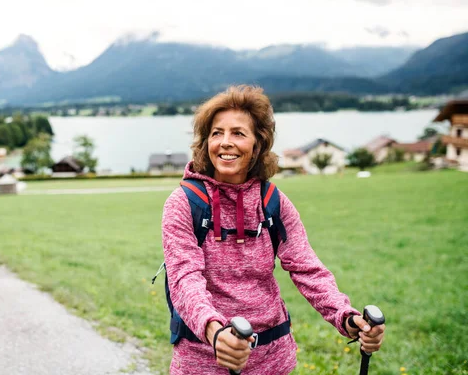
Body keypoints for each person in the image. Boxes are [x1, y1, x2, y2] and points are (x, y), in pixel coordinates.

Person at [161, 85, 385, 374]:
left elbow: (306, 268)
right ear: (206, 143)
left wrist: (346, 317)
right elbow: (184, 279)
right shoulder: (183, 203)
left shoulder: (273, 202)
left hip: (274, 357)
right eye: (217, 133)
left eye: (238, 133)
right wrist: (215, 332)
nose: (225, 142)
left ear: (257, 144)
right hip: (203, 358)